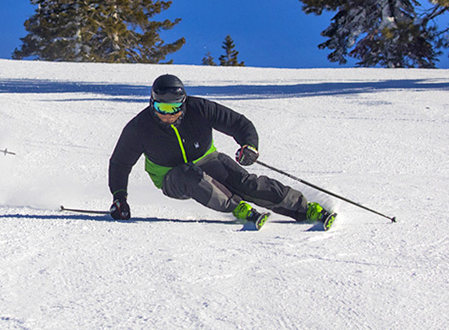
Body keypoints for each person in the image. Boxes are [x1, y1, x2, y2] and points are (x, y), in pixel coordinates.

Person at [108, 74, 336, 229]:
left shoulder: (200, 109)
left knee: (248, 184)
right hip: (171, 177)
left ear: (183, 103)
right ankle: (239, 210)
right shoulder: (139, 127)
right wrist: (120, 198)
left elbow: (239, 123)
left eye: (174, 108)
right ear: (151, 102)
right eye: (161, 108)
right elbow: (120, 163)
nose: (168, 114)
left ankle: (306, 209)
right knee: (189, 174)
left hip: (208, 159)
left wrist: (249, 145)